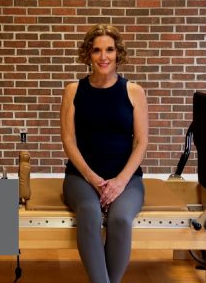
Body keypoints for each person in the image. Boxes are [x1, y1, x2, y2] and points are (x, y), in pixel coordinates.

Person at [60, 24, 148, 283]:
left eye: (109, 49)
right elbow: (68, 139)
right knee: (89, 211)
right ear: (88, 54)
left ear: (118, 53)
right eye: (96, 50)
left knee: (120, 219)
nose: (103, 56)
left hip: (127, 179)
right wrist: (93, 179)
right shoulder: (73, 91)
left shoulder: (134, 91)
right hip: (81, 178)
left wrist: (120, 181)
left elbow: (141, 142)